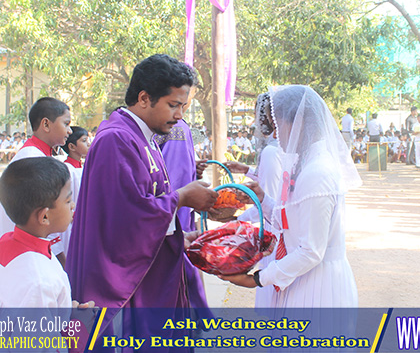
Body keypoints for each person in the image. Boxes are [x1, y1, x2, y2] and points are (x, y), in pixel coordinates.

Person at [65, 54, 217, 346]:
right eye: (173, 105)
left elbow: (148, 198)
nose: (180, 115)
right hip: (125, 279)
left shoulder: (141, 134)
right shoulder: (116, 139)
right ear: (145, 98)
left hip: (153, 267)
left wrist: (178, 234)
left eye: (183, 106)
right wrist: (183, 197)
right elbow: (125, 217)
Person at [220, 85, 362, 308]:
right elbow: (292, 222)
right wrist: (263, 200)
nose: (274, 134)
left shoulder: (318, 172)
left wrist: (258, 279)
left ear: (299, 123)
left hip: (318, 288)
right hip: (301, 280)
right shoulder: (304, 164)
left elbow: (311, 250)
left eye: (277, 124)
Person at [0, 157, 77, 307]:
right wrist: (79, 324)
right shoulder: (40, 283)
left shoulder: (7, 242)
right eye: (68, 201)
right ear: (44, 216)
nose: (73, 205)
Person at [0, 97, 72, 261]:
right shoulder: (31, 159)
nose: (70, 131)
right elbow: (40, 215)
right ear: (46, 124)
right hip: (25, 253)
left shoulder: (38, 155)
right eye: (66, 124)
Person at [153, 85, 211, 315]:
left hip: (184, 202)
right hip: (173, 202)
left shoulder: (181, 125)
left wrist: (193, 168)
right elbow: (164, 164)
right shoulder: (167, 127)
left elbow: (179, 161)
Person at [225, 92, 283, 308]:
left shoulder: (270, 151)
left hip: (272, 232)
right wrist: (248, 171)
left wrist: (238, 221)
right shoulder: (286, 148)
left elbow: (266, 201)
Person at [56, 126, 90, 259]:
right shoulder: (67, 170)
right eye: (84, 140)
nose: (88, 143)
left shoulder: (84, 167)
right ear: (72, 146)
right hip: (72, 223)